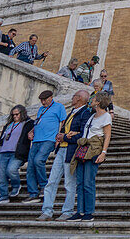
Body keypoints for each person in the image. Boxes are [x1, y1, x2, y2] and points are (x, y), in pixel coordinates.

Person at [38, 89, 92, 221]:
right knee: (51, 181)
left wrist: (66, 138)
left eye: (74, 96)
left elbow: (83, 135)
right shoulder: (73, 112)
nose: (72, 98)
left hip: (71, 152)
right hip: (61, 150)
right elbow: (65, 130)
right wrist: (60, 135)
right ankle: (47, 211)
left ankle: (67, 211)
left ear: (79, 98)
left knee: (69, 183)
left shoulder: (85, 113)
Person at [69, 92, 113, 222]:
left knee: (88, 182)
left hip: (94, 150)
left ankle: (89, 212)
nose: (91, 101)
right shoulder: (92, 116)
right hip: (84, 149)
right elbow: (87, 132)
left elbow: (107, 136)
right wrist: (76, 133)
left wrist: (103, 152)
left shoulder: (106, 117)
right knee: (80, 182)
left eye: (93, 99)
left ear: (98, 102)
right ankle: (80, 211)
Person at [24, 90, 67, 203]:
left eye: (44, 99)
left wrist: (59, 138)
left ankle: (43, 186)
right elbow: (38, 122)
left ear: (51, 97)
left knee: (38, 160)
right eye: (41, 100)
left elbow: (63, 122)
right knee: (30, 166)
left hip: (49, 139)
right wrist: (31, 131)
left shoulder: (59, 107)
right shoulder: (41, 109)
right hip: (37, 139)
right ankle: (33, 193)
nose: (43, 102)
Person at [0, 106, 33, 204]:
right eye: (13, 114)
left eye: (17, 114)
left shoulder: (28, 123)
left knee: (11, 170)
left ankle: (16, 185)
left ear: (22, 113)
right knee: (1, 176)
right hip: (3, 152)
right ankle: (4, 196)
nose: (15, 116)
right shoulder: (8, 125)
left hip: (17, 152)